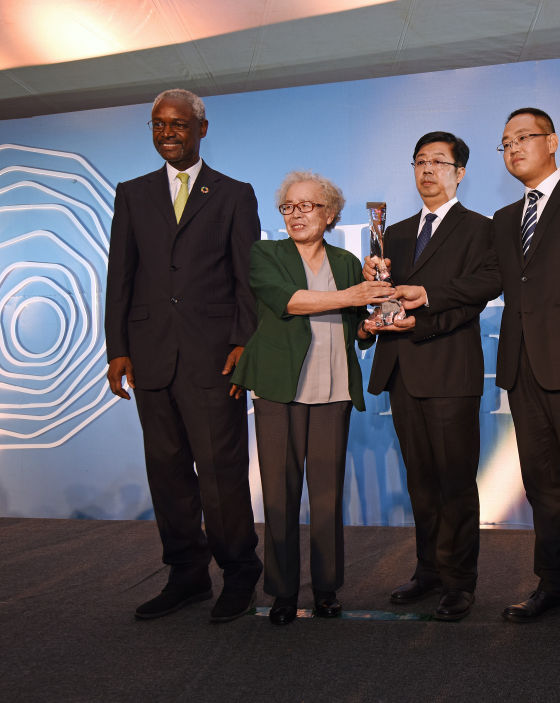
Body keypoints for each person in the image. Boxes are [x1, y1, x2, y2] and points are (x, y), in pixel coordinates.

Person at [393, 109, 560, 638]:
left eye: (523, 138)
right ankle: (554, 581)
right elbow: (488, 282)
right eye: (505, 142)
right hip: (519, 369)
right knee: (542, 486)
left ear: (552, 141)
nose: (513, 148)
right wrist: (426, 294)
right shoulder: (504, 217)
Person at [105, 88, 262, 622]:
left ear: (202, 128)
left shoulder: (234, 194)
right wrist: (118, 348)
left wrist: (244, 343)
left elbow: (247, 278)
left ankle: (240, 573)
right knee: (167, 474)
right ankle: (187, 575)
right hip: (150, 358)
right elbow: (120, 277)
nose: (166, 133)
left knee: (221, 473)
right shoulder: (132, 193)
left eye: (177, 124)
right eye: (158, 124)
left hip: (214, 359)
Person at [231, 172, 387, 625]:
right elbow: (291, 302)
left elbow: (356, 324)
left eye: (307, 206)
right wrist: (353, 295)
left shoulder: (346, 261)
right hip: (280, 389)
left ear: (330, 214)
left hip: (334, 389)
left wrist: (371, 325)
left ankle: (326, 588)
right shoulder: (266, 254)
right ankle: (282, 591)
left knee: (327, 496)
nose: (296, 215)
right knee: (280, 497)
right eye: (289, 207)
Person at [361, 132, 491, 622]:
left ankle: (459, 582)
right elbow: (384, 299)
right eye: (420, 161)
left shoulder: (479, 229)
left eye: (439, 161)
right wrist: (372, 300)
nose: (428, 169)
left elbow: (476, 293)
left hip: (450, 368)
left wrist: (422, 320)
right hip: (402, 371)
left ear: (460, 172)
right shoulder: (391, 234)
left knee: (455, 482)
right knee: (420, 481)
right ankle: (428, 570)